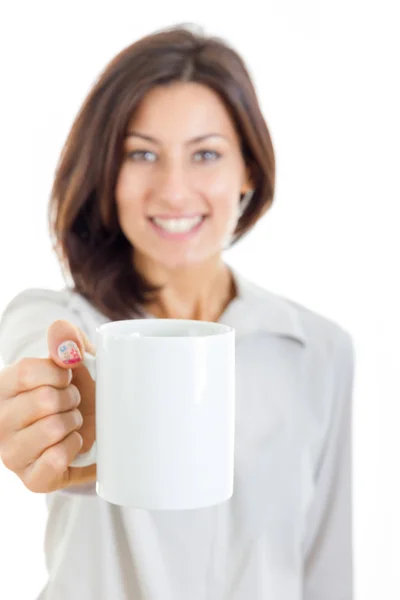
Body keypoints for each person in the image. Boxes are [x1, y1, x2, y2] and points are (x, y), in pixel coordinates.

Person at [0, 24, 355, 600]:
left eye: (206, 154)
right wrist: (51, 420)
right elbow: (37, 356)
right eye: (142, 154)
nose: (173, 190)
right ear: (107, 176)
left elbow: (327, 570)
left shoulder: (321, 350)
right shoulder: (63, 321)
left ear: (249, 171)